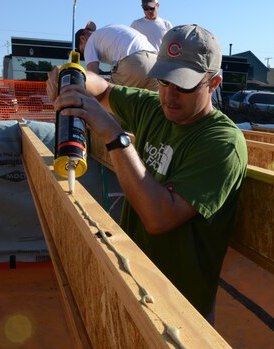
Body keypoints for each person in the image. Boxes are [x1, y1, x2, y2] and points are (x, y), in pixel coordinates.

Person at [47, 24, 248, 321]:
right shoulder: (155, 108)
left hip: (181, 309)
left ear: (214, 83)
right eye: (165, 80)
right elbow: (102, 88)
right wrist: (70, 76)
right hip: (134, 283)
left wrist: (115, 136)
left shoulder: (222, 143)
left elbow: (159, 217)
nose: (170, 95)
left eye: (184, 84)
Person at [75, 22, 158, 91]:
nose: (84, 52)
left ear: (82, 39)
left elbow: (94, 78)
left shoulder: (89, 42)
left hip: (133, 61)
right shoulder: (109, 29)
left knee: (108, 98)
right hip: (155, 61)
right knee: (150, 105)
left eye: (82, 50)